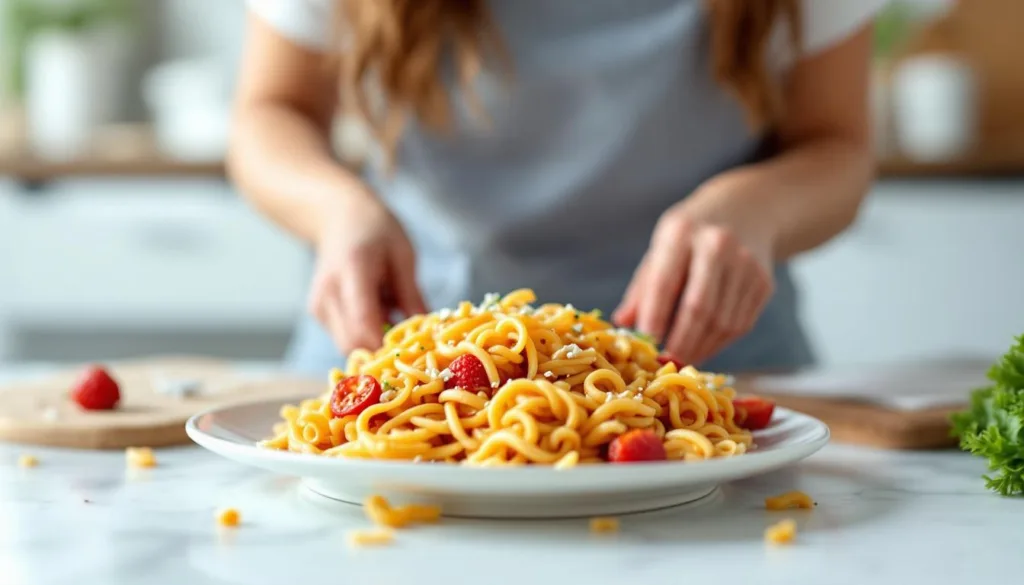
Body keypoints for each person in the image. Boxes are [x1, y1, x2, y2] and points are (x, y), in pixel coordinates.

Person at [229, 0, 884, 378]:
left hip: (715, 370)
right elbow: (269, 112)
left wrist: (758, 206)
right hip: (405, 359)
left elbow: (838, 144)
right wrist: (337, 211)